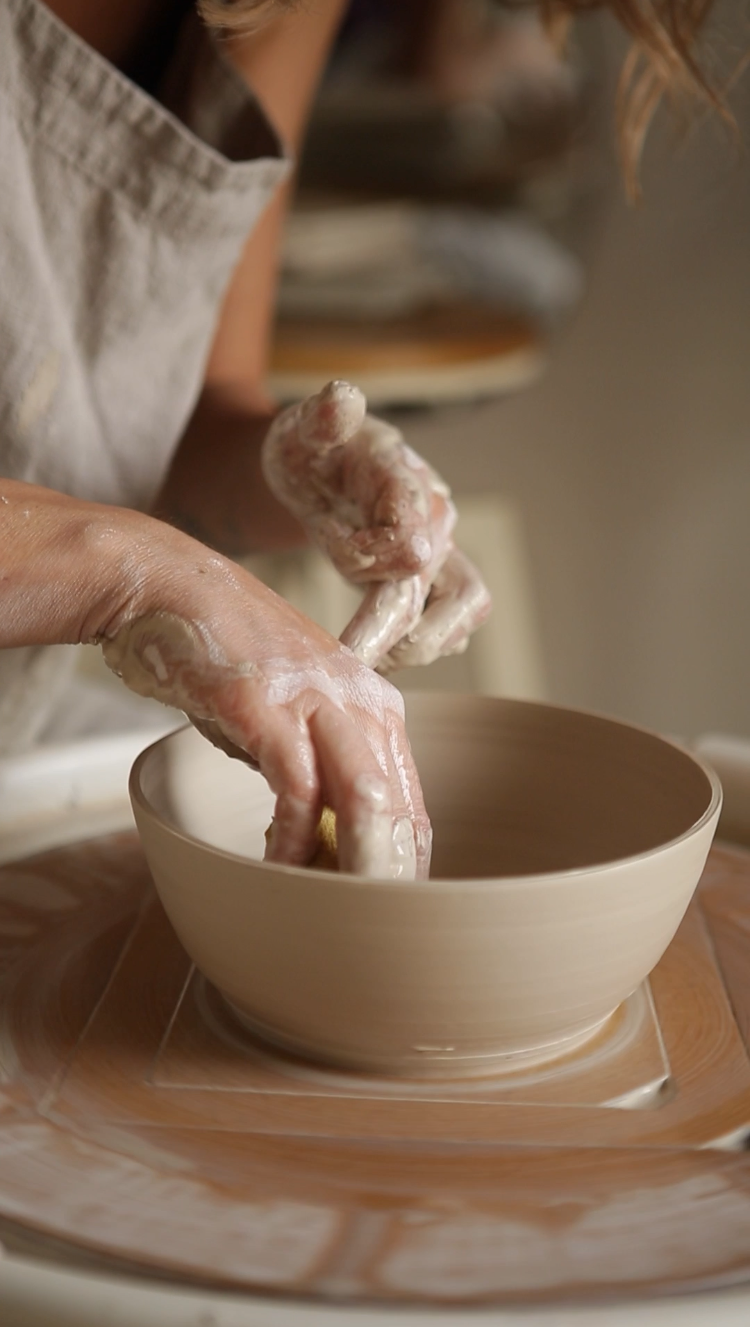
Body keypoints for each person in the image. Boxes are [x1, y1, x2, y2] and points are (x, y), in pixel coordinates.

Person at [0, 0, 721, 877]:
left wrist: (294, 479)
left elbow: (180, 423)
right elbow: (119, 551)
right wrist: (135, 571)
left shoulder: (270, 8)